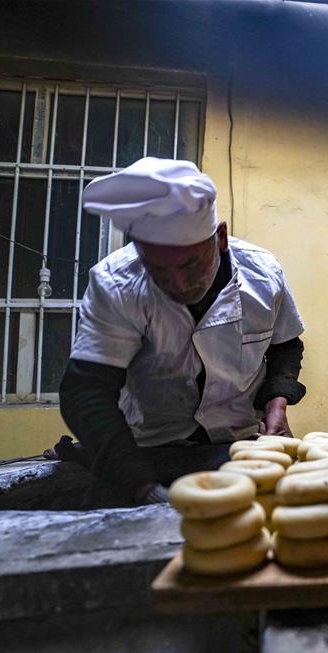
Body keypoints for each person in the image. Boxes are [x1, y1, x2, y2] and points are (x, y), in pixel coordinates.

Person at [57, 158, 306, 505]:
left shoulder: (263, 274)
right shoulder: (116, 285)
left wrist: (276, 402)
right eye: (157, 269)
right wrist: (139, 486)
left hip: (239, 447)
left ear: (220, 238)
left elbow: (285, 345)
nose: (177, 284)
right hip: (148, 449)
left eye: (191, 265)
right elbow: (86, 391)